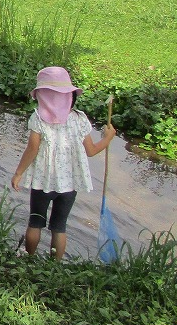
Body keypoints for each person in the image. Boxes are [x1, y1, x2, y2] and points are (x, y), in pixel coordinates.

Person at [12, 66, 116, 261]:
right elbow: (91, 150)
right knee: (60, 226)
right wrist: (108, 138)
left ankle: (29, 258)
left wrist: (19, 173)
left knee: (35, 221)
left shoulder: (38, 119)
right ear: (70, 96)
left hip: (43, 181)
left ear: (41, 96)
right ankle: (55, 265)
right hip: (69, 184)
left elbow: (32, 149)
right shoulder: (79, 119)